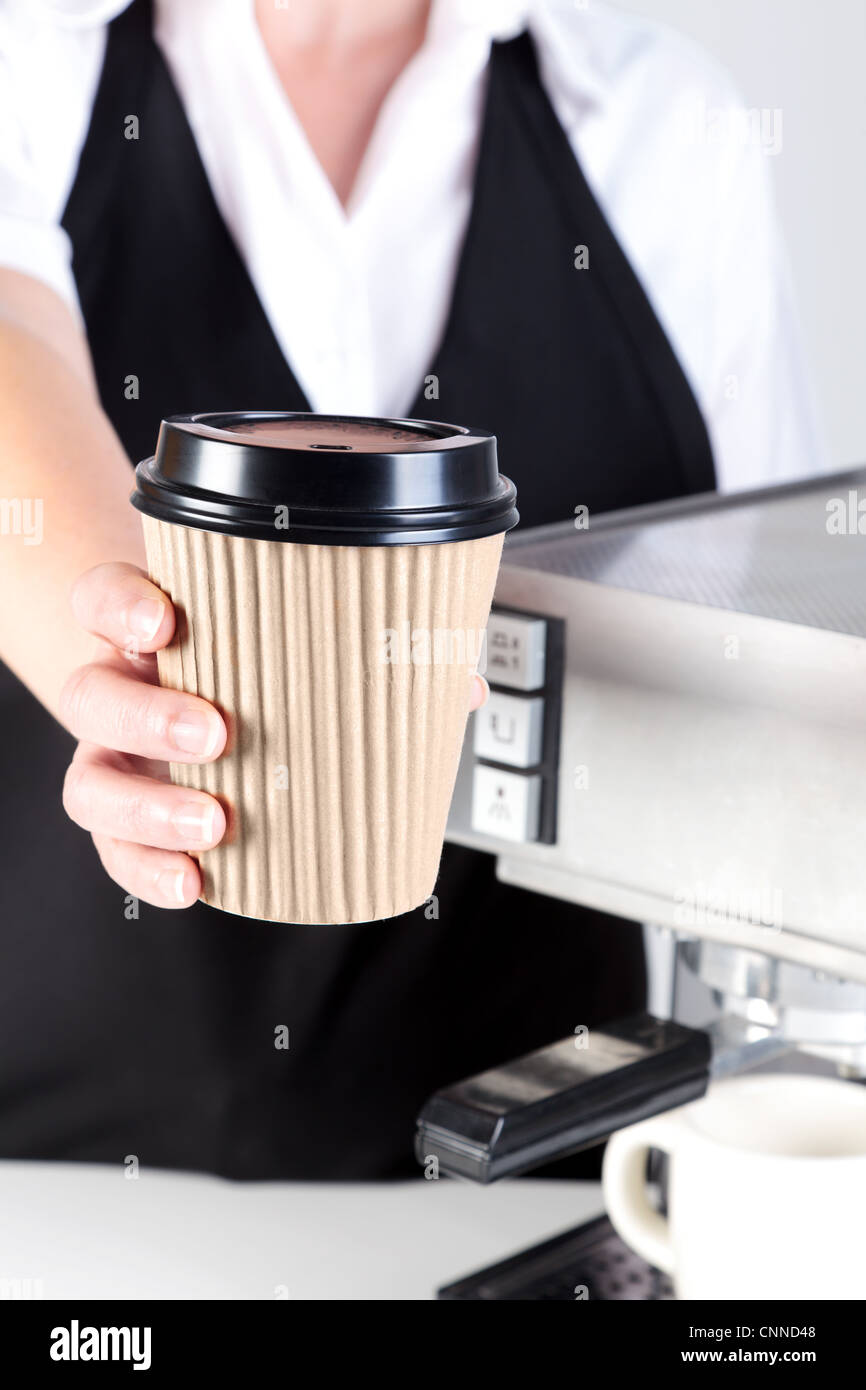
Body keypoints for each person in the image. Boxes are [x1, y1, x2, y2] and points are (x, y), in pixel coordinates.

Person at [0, 0, 820, 1179]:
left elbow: (762, 655)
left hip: (525, 1179)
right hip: (61, 1195)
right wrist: (129, 663)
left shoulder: (660, 124)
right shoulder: (36, 57)